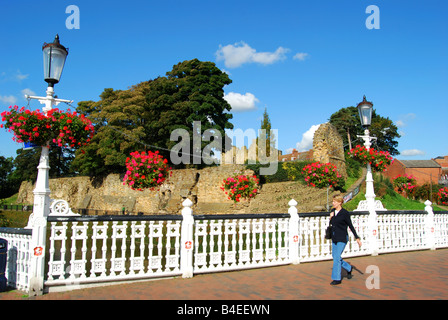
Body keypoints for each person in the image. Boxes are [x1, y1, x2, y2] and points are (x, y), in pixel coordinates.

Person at [329, 195, 362, 285]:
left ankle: (337, 278)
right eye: (333, 201)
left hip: (342, 238)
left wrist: (357, 237)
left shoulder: (345, 213)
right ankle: (348, 268)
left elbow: (350, 225)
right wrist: (331, 218)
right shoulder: (332, 211)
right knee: (335, 256)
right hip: (334, 237)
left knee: (336, 257)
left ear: (340, 202)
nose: (333, 203)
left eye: (335, 201)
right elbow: (332, 224)